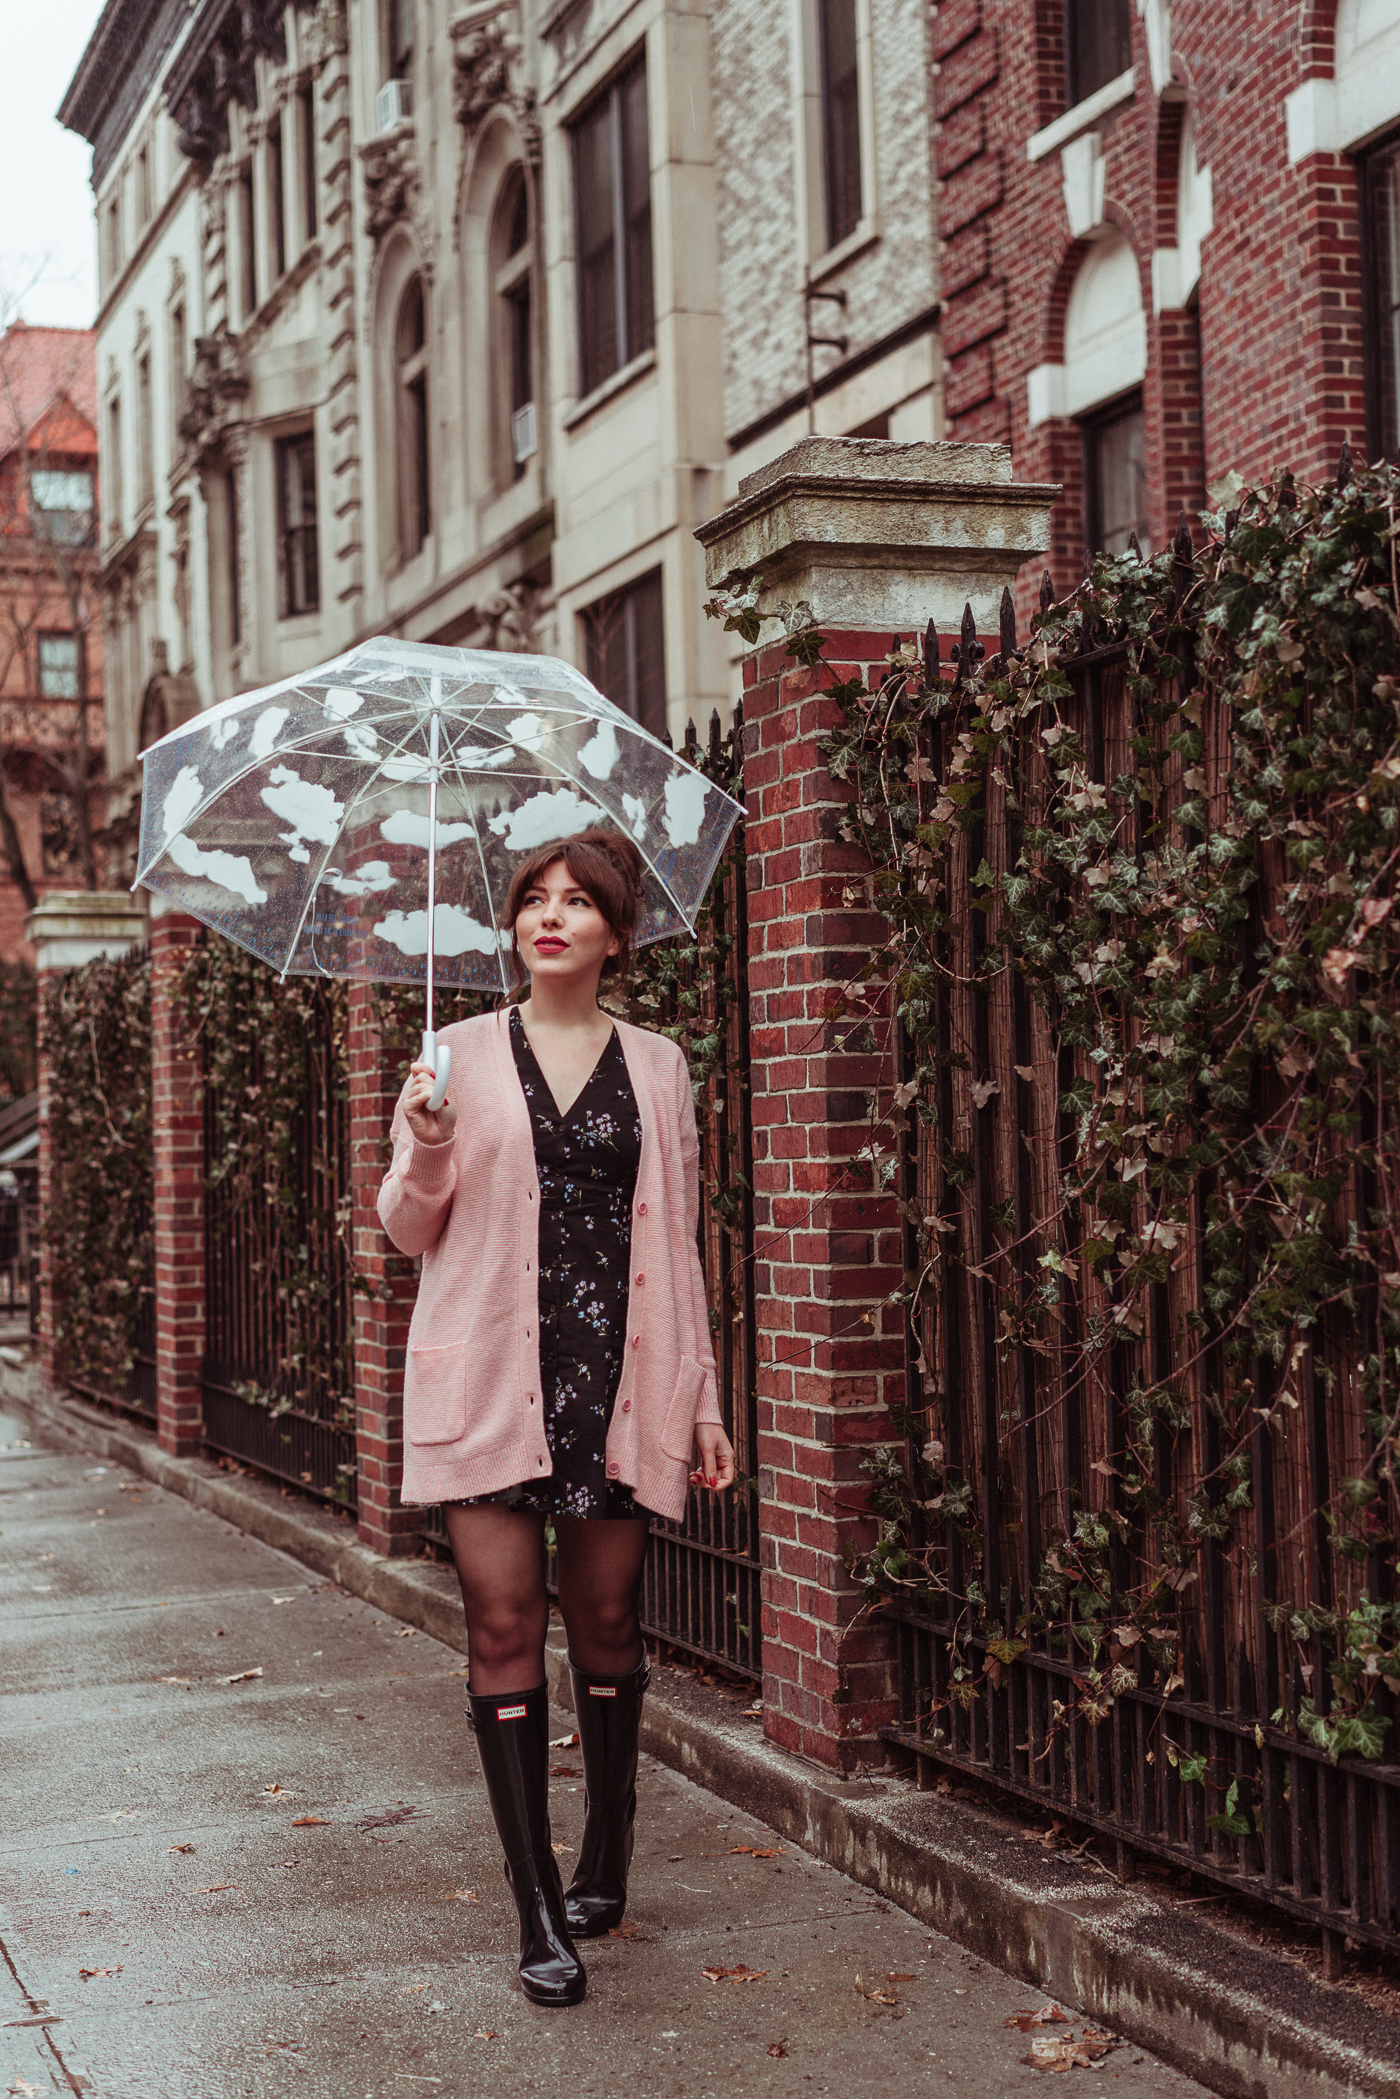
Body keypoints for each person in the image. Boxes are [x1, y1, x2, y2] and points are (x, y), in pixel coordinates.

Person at [377, 826, 736, 2008]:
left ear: (614, 932)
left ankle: (606, 1855)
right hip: (488, 1376)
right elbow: (405, 1227)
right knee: (499, 1624)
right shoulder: (453, 1054)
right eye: (534, 898)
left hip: (613, 1376)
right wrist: (426, 1145)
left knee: (607, 1617)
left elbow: (678, 1242)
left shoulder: (661, 1064)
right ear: (515, 927)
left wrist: (702, 1395)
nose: (551, 915)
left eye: (577, 901)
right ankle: (536, 1905)